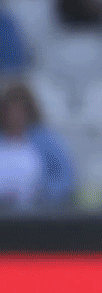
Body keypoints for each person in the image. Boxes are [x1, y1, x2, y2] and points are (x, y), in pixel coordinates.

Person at [0, 81, 76, 209]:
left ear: (29, 111)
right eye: (11, 110)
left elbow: (66, 177)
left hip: (36, 216)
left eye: (20, 110)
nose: (16, 115)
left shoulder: (45, 139)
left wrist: (41, 195)